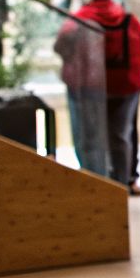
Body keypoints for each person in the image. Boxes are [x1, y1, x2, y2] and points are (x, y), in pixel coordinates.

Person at [73, 0, 140, 192]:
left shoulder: (82, 18)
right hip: (127, 84)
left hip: (94, 86)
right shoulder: (128, 19)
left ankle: (98, 182)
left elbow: (65, 46)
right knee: (124, 133)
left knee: (94, 134)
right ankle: (126, 181)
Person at [52, 9, 109, 177]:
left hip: (77, 84)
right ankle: (101, 174)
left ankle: (88, 172)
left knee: (81, 133)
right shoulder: (115, 19)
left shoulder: (72, 24)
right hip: (100, 83)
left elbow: (58, 47)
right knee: (99, 133)